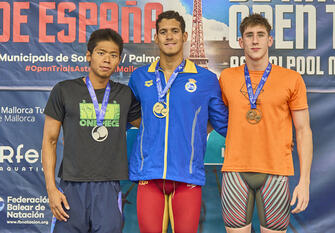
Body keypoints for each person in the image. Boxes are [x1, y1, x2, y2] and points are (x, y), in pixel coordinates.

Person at [128, 10, 228, 233]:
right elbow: (125, 118)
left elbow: (225, 124)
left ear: (184, 36)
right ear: (156, 38)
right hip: (149, 174)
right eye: (163, 32)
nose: (169, 36)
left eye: (174, 31)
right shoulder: (139, 77)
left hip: (187, 175)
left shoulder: (206, 79)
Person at [219, 14, 313, 233]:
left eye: (260, 35)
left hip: (276, 172)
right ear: (240, 42)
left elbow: (303, 131)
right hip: (235, 170)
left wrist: (305, 181)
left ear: (269, 40)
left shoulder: (292, 79)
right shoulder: (226, 77)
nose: (255, 41)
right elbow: (213, 120)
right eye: (249, 35)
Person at [41, 28, 140, 233]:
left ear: (119, 60)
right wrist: (51, 190)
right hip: (71, 186)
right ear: (89, 55)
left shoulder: (125, 94)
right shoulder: (64, 90)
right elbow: (50, 141)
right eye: (101, 53)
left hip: (108, 187)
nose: (107, 60)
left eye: (113, 55)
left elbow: (152, 127)